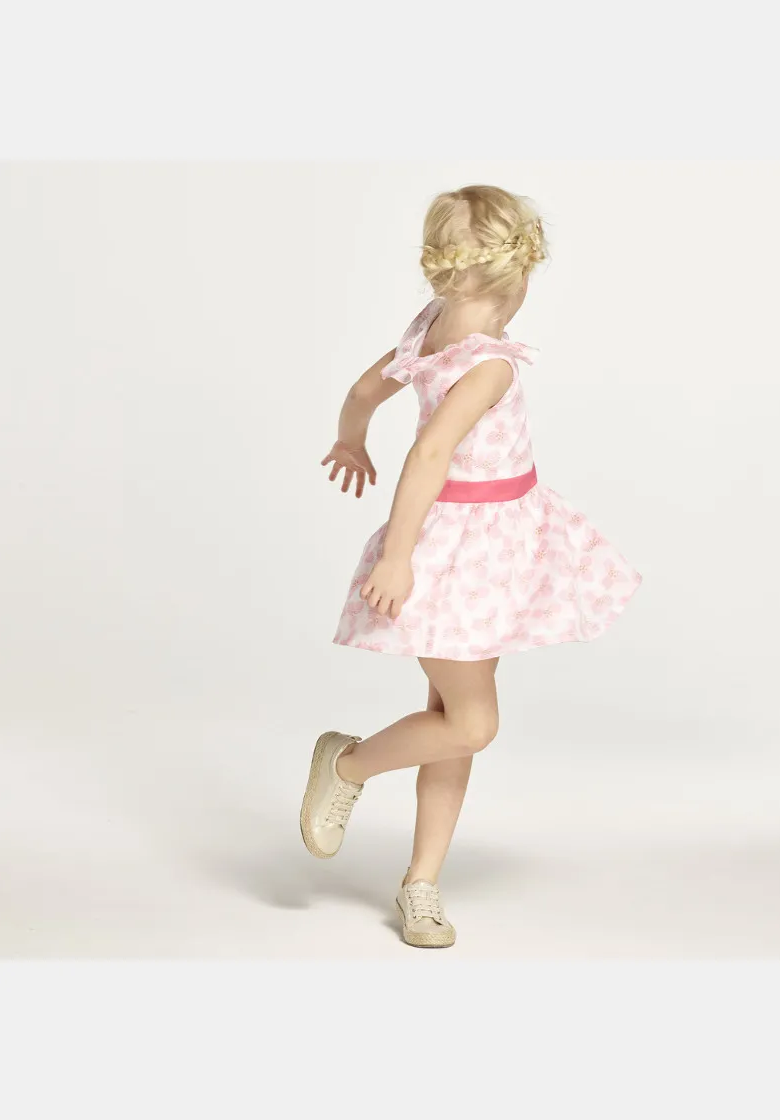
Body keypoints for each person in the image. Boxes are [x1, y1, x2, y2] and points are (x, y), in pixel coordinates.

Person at [299, 184, 642, 948]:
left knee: (450, 722)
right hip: (459, 550)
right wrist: (397, 557)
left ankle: (421, 881)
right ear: (517, 277)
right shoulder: (488, 366)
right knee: (473, 723)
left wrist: (351, 436)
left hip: (494, 545)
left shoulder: (430, 326)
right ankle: (346, 765)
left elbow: (363, 390)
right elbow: (429, 453)